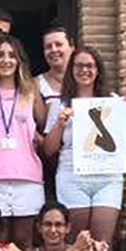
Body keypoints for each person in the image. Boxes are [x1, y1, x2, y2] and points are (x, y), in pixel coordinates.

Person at [42, 45, 126, 251]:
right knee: (76, 243)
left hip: (107, 178)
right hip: (72, 177)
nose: (84, 70)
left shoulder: (113, 101)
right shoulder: (60, 104)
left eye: (89, 66)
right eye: (78, 66)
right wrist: (59, 123)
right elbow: (49, 149)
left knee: (102, 246)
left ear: (98, 70)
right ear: (71, 70)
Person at [0, 33, 45, 245]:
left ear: (19, 60)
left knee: (24, 241)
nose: (6, 60)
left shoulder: (31, 91)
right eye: (0, 55)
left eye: (12, 55)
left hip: (27, 176)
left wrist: (37, 136)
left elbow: (44, 125)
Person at [35, 23, 74, 201]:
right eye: (48, 47)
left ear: (71, 47)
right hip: (47, 160)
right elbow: (32, 122)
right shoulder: (35, 84)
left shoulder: (85, 81)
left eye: (59, 44)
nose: (53, 50)